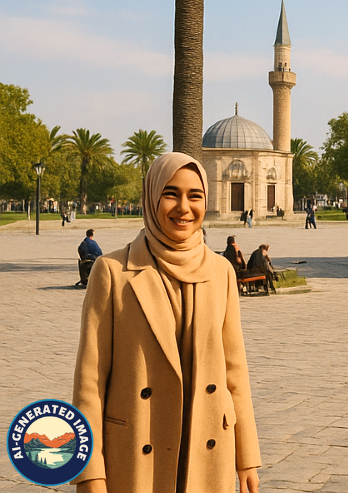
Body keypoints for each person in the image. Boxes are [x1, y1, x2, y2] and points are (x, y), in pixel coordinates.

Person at [72, 152, 261, 493]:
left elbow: (235, 371)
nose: (183, 207)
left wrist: (246, 455)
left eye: (195, 196)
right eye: (171, 194)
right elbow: (90, 382)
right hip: (136, 451)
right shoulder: (113, 272)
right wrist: (90, 472)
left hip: (206, 447)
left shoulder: (221, 272)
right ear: (151, 196)